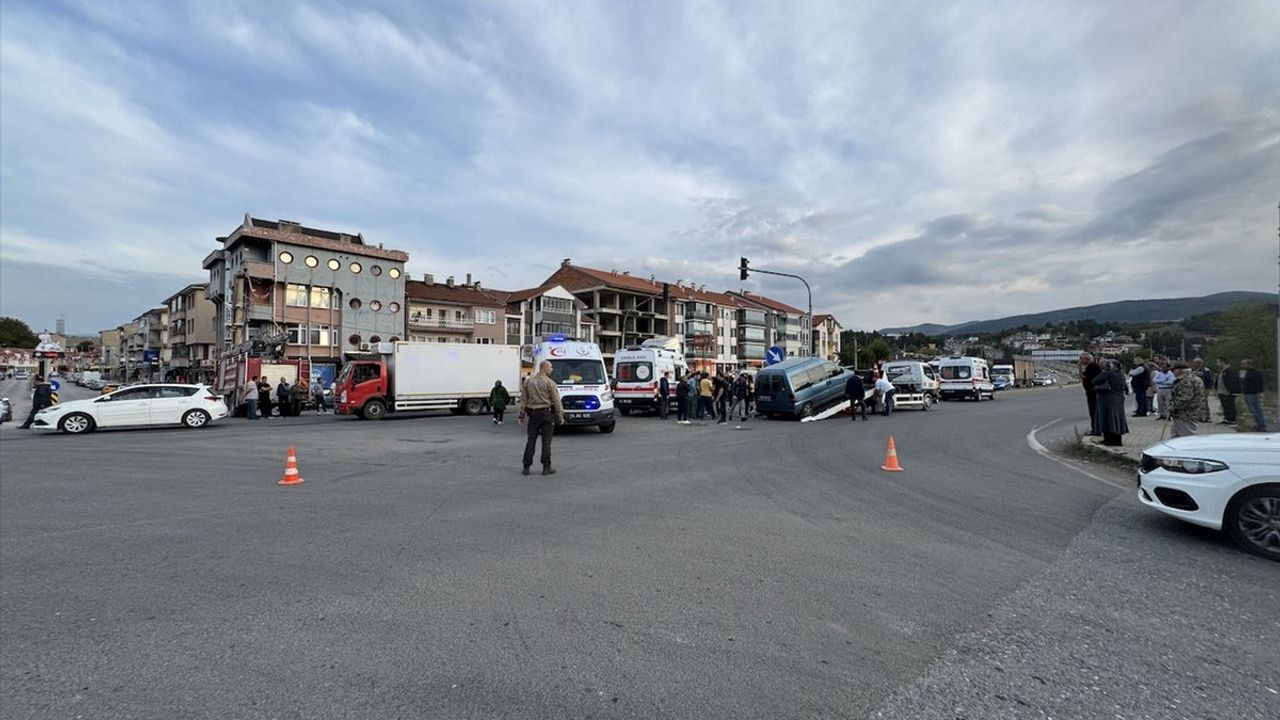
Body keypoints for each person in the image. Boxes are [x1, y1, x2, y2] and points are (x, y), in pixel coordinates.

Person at [517, 360, 564, 475]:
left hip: (533, 415)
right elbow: (556, 401)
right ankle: (546, 467)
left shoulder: (528, 382)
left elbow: (523, 400)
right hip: (546, 414)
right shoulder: (550, 383)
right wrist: (560, 415)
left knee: (531, 440)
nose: (551, 370)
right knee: (546, 442)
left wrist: (521, 415)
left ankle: (526, 466)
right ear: (545, 368)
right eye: (550, 368)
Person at [1092, 360, 1129, 446]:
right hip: (1119, 399)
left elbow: (1095, 381)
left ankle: (1108, 440)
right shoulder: (1121, 374)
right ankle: (1117, 440)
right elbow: (1125, 387)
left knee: (1106, 419)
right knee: (1117, 419)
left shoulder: (1108, 373)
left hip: (1107, 399)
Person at [1168, 361, 1208, 437]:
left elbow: (1185, 398)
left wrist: (1172, 407)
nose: (1172, 372)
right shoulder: (1192, 378)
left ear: (1180, 370)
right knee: (1176, 436)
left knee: (1186, 437)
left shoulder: (1186, 380)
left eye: (1173, 370)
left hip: (1186, 414)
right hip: (1189, 413)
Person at [1240, 359, 1268, 431]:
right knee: (1252, 410)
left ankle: (1262, 425)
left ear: (1249, 364)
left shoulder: (1256, 373)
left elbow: (1260, 383)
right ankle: (1258, 423)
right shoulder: (1244, 373)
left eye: (1244, 364)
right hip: (1247, 393)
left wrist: (1260, 392)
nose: (1242, 366)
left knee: (1257, 409)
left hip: (1253, 393)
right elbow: (1243, 382)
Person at [1079, 353, 1102, 433]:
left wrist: (1079, 368)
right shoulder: (1090, 367)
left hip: (1093, 392)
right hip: (1090, 391)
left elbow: (1084, 377)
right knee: (1093, 411)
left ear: (1086, 359)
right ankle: (1095, 428)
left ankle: (1096, 429)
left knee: (1094, 411)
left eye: (1081, 359)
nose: (1080, 361)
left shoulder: (1093, 367)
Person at [1215, 358, 1239, 426]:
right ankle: (1227, 419)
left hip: (1227, 392)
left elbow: (1232, 381)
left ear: (1223, 362)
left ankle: (1232, 420)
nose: (1217, 364)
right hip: (1221, 391)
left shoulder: (1230, 371)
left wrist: (1230, 390)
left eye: (1218, 362)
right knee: (1225, 406)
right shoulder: (1222, 371)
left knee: (1230, 406)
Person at [1190, 358, 1213, 424]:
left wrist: (1208, 389)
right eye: (1194, 363)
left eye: (1196, 363)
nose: (1194, 364)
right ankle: (1197, 416)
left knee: (1204, 403)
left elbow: (1209, 381)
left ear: (1200, 363)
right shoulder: (1192, 370)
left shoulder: (1206, 370)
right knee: (1195, 403)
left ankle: (1206, 417)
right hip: (1194, 389)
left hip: (1203, 389)